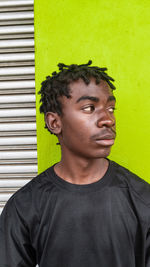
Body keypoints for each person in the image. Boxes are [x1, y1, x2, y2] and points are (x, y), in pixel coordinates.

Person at [0, 60, 150, 267]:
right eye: (89, 108)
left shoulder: (143, 199)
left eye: (111, 108)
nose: (108, 119)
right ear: (54, 122)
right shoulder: (25, 206)